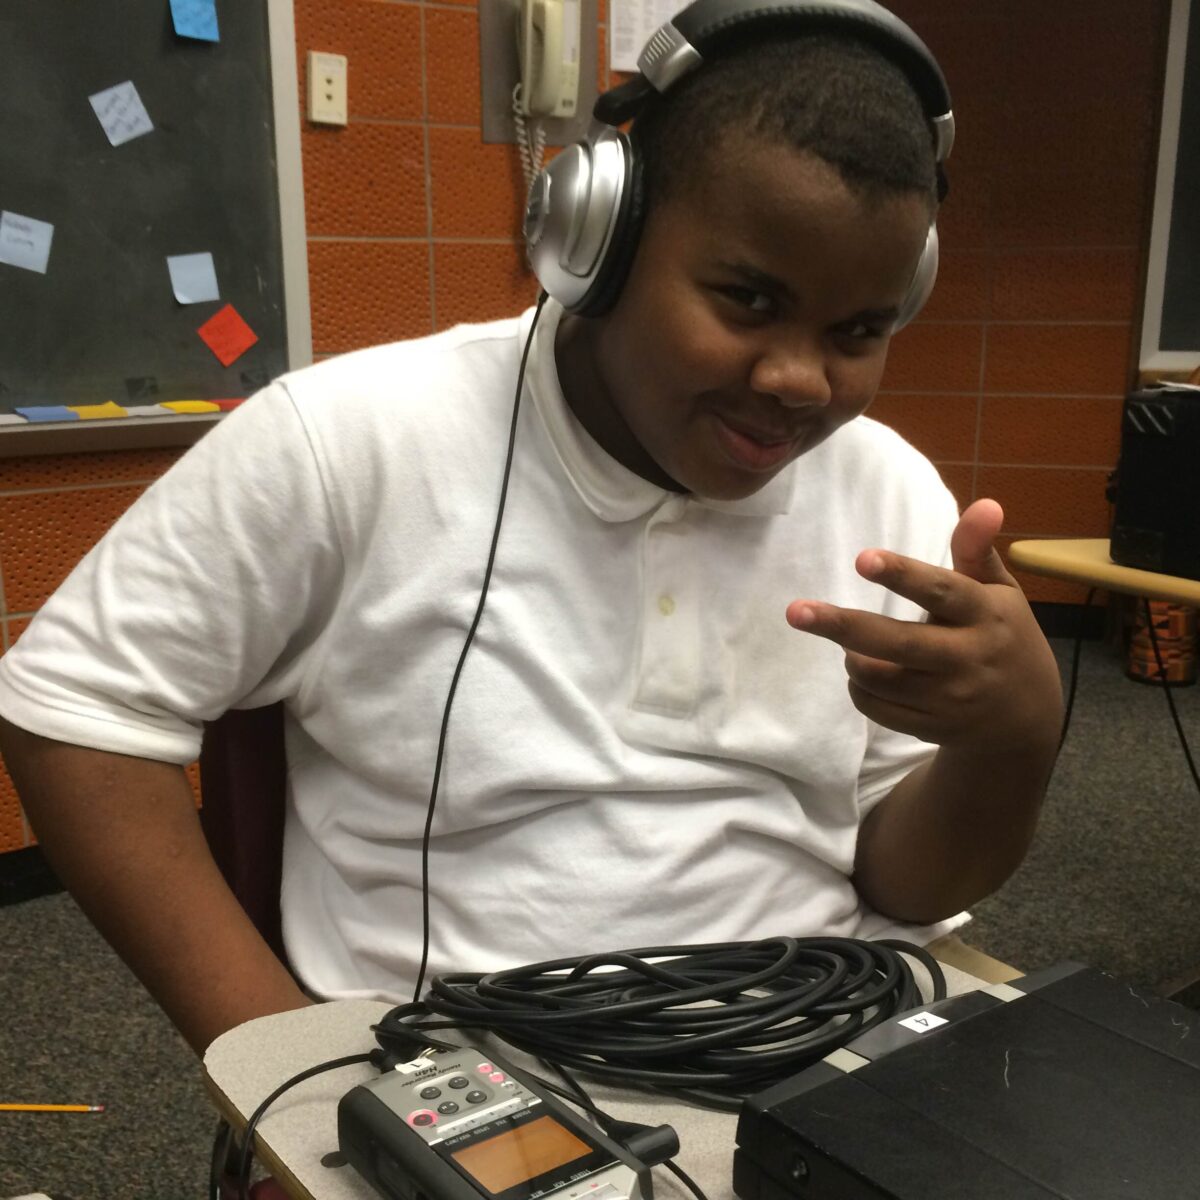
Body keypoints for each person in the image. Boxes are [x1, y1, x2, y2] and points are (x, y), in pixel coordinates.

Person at [0, 1, 1062, 1059]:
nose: (798, 380)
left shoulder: (887, 486)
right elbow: (71, 710)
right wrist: (281, 1060)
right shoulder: (350, 440)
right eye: (747, 299)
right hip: (480, 1072)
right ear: (600, 241)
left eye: (859, 330)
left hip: (823, 1030)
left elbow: (902, 881)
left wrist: (1010, 741)